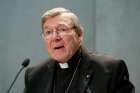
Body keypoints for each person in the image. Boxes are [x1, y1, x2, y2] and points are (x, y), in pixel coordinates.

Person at [24, 7, 134, 93]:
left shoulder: (110, 70)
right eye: (48, 32)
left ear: (79, 35)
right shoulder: (34, 75)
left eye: (62, 29)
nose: (55, 37)